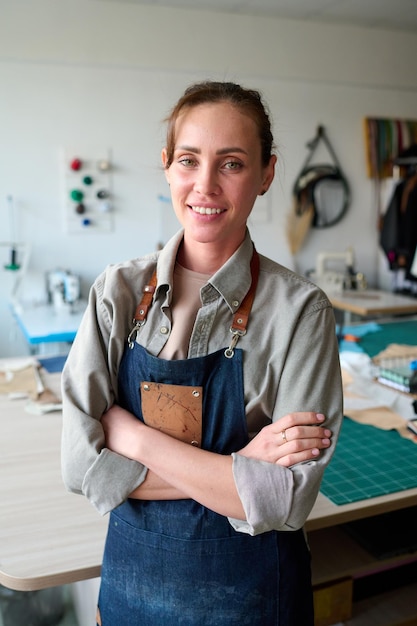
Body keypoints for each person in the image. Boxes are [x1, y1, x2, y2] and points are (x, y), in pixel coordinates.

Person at [61, 80, 343, 626]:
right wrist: (241, 471)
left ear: (266, 174)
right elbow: (79, 465)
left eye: (232, 164)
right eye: (189, 159)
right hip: (129, 597)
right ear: (167, 165)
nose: (205, 185)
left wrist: (131, 436)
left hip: (256, 603)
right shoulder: (115, 293)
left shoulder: (301, 313)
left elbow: (286, 501)